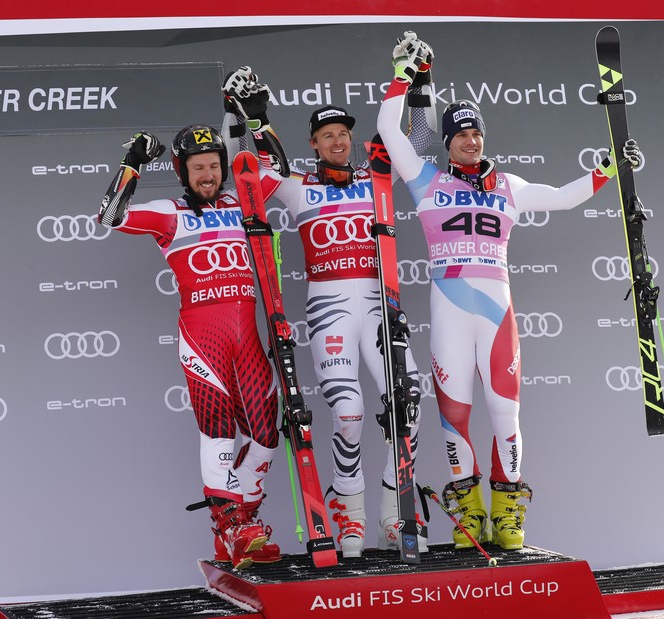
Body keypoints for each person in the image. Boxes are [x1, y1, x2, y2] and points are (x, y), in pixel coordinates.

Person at [376, 32, 643, 550]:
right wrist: (403, 73)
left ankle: (507, 511)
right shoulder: (424, 178)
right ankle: (468, 513)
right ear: (447, 143)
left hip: (498, 313)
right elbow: (390, 125)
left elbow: (565, 197)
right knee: (454, 413)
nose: (470, 141)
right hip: (450, 311)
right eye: (459, 135)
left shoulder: (509, 186)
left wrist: (612, 166)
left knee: (505, 413)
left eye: (476, 133)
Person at [220, 61, 436, 558]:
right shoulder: (297, 184)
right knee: (349, 412)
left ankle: (393, 511)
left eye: (343, 133)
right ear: (313, 143)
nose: (338, 141)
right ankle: (348, 510)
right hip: (330, 308)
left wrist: (422, 85)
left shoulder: (376, 174)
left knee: (408, 403)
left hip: (381, 304)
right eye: (327, 135)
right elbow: (242, 176)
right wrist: (235, 113)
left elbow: (418, 145)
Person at [96, 126, 281, 569]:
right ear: (183, 171)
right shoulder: (169, 213)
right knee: (218, 429)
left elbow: (277, 168)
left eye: (214, 166)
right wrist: (134, 163)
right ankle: (232, 524)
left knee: (266, 437)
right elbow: (110, 217)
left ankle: (243, 523)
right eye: (198, 167)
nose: (208, 175)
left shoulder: (243, 202)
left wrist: (259, 123)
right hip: (203, 335)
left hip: (247, 335)